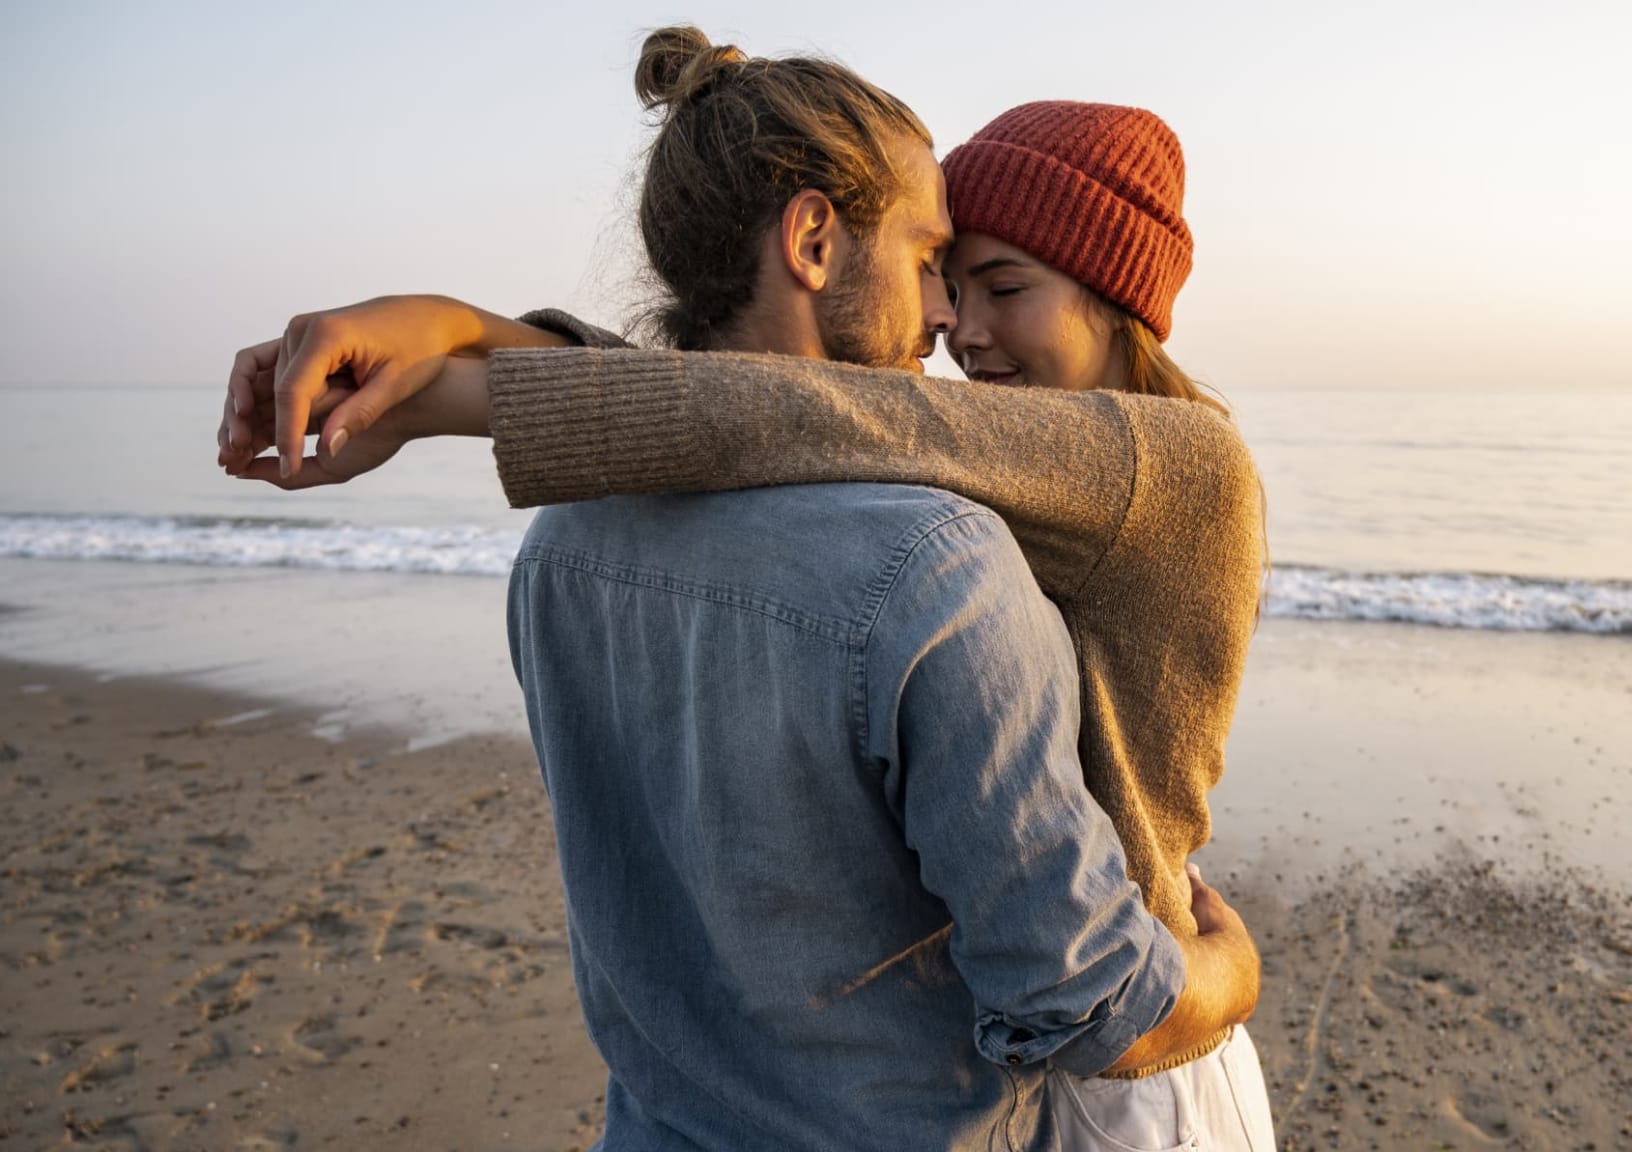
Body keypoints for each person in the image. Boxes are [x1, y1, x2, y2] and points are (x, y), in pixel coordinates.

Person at [219, 30, 1276, 1151]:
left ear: (1119, 298)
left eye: (995, 285)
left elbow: (790, 411)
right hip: (1077, 1038)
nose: (950, 326)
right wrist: (1231, 979)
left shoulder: (564, 546)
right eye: (938, 268)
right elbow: (785, 415)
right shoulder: (934, 552)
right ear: (814, 237)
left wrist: (456, 362)